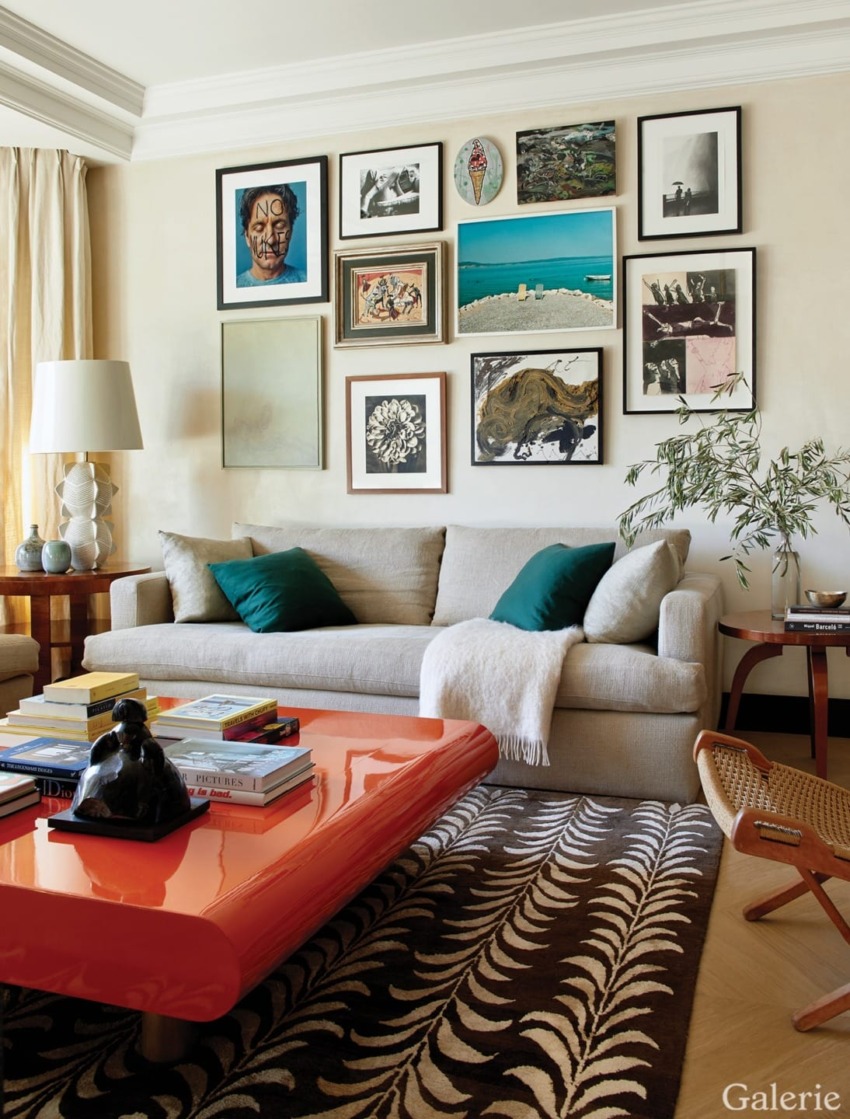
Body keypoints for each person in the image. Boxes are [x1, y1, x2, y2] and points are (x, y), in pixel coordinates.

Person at [237, 184, 306, 287]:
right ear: (247, 236)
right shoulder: (232, 288)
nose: (270, 240)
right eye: (259, 228)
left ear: (290, 232)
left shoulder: (307, 282)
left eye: (279, 226)